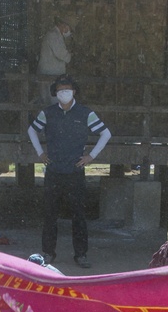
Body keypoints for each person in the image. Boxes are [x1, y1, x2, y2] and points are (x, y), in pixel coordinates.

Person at [27, 75, 111, 269]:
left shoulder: (85, 113)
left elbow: (106, 133)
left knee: (79, 215)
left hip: (75, 170)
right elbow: (32, 131)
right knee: (50, 214)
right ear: (55, 93)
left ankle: (81, 255)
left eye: (67, 89)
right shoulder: (47, 113)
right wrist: (40, 152)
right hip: (53, 170)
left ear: (74, 91)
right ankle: (48, 253)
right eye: (60, 90)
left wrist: (91, 156)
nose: (64, 92)